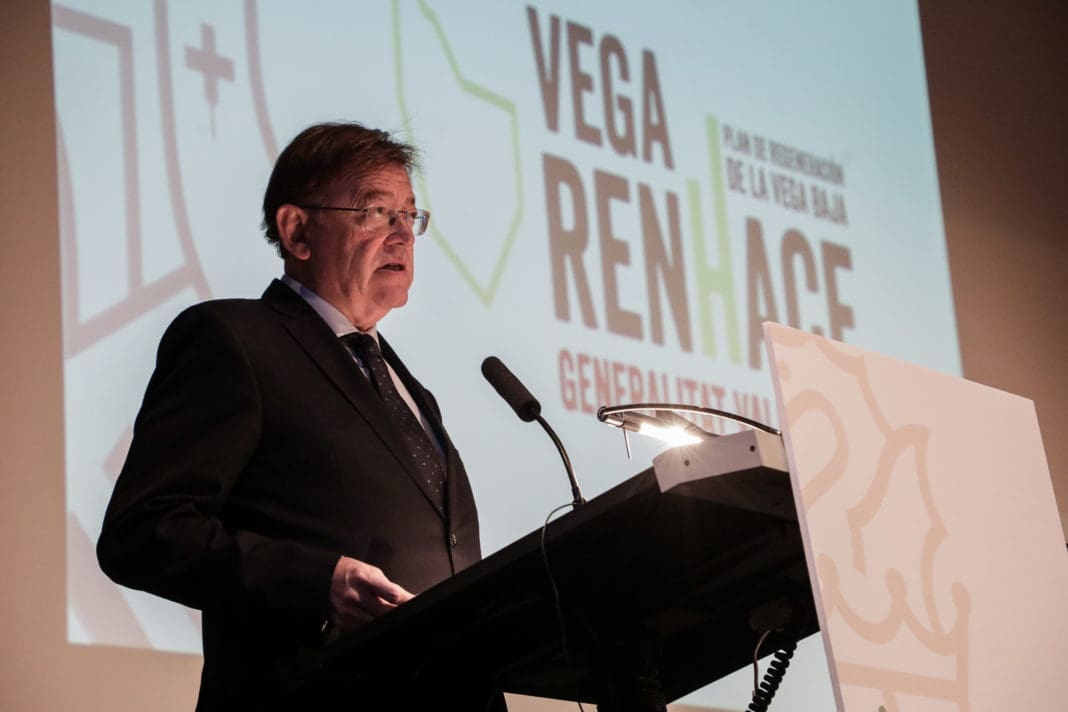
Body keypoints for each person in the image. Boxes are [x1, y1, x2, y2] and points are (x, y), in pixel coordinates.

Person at [97, 122, 492, 710]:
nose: (402, 234)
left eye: (410, 215)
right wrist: (317, 583)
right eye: (376, 212)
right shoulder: (234, 340)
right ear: (297, 231)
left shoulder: (411, 391)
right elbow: (144, 532)